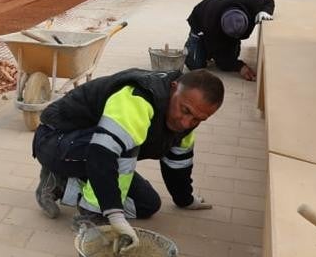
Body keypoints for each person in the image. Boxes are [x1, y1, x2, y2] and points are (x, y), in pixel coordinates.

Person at [32, 68, 224, 241]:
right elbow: (103, 154)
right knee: (120, 148)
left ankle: (62, 184)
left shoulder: (185, 125)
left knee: (148, 204)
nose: (185, 122)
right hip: (55, 140)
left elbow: (178, 166)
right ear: (174, 88)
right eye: (185, 110)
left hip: (95, 148)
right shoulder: (139, 98)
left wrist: (186, 200)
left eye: (198, 119)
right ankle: (87, 214)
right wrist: (113, 215)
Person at [185, 0, 275, 81]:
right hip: (200, 20)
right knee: (196, 65)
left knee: (232, 55)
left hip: (218, 15)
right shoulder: (212, 25)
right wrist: (240, 67)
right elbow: (221, 61)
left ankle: (207, 51)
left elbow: (268, 0)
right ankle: (195, 40)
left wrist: (265, 11)